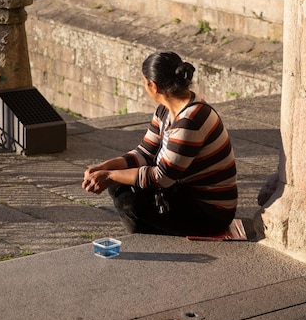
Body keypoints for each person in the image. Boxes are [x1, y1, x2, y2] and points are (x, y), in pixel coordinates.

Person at [82, 51, 237, 236]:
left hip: (211, 212)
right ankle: (148, 234)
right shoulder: (166, 110)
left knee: (129, 199)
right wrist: (104, 167)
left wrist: (109, 175)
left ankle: (145, 241)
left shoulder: (189, 122)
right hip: (186, 192)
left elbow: (161, 178)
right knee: (119, 184)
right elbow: (145, 153)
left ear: (153, 86)